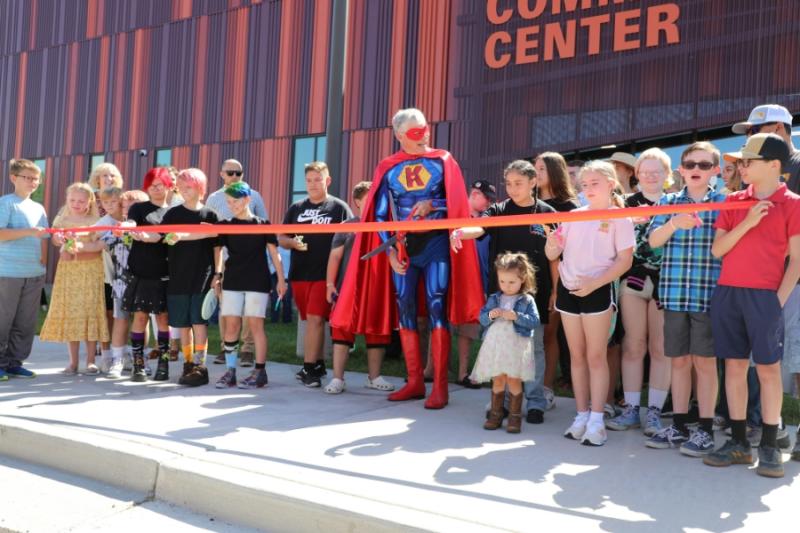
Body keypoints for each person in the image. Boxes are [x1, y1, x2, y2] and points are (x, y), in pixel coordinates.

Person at [330, 108, 483, 410]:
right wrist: (387, 251)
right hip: (401, 246)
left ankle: (439, 386)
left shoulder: (443, 160)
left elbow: (456, 204)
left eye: (425, 128)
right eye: (415, 132)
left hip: (436, 242)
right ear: (399, 135)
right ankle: (414, 381)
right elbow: (380, 214)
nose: (423, 135)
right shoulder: (389, 167)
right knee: (406, 308)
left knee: (437, 304)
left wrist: (434, 203)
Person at [703, 133, 800, 478]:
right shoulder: (735, 201)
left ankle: (771, 445)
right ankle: (740, 443)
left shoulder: (793, 203)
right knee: (733, 367)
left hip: (765, 297)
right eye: (741, 161)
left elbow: (798, 261)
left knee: (769, 370)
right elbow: (718, 250)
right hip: (728, 292)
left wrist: (777, 301)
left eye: (749, 161)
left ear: (774, 165)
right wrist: (748, 221)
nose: (741, 167)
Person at [452, 160, 557, 423]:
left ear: (533, 182)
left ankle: (535, 403)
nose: (512, 188)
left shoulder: (546, 212)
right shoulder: (498, 210)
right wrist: (460, 232)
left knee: (533, 349)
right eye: (508, 183)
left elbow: (555, 257)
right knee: (500, 347)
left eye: (518, 183)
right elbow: (479, 227)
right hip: (500, 295)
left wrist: (556, 290)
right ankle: (503, 402)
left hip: (535, 294)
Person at [546, 160, 635, 447]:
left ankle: (597, 419)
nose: (588, 189)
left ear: (611, 183)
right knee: (577, 356)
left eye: (594, 183)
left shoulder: (620, 218)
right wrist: (551, 243)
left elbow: (625, 261)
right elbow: (554, 253)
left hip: (597, 291)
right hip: (569, 290)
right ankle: (581, 414)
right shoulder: (572, 215)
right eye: (584, 185)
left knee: (596, 356)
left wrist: (595, 284)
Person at [645, 141, 726, 456]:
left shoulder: (723, 202)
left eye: (704, 165)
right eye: (690, 164)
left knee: (705, 364)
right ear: (680, 169)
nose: (696, 170)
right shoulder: (667, 202)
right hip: (676, 295)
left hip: (709, 296)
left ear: (715, 171)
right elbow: (652, 242)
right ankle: (678, 425)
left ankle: (705, 429)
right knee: (677, 361)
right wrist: (673, 223)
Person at [607, 149, 671, 436]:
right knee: (634, 345)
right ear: (637, 174)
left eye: (656, 171)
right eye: (645, 171)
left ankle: (655, 411)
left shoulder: (675, 203)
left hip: (666, 283)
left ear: (667, 175)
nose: (650, 176)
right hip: (632, 281)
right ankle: (631, 408)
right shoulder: (625, 205)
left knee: (660, 348)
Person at [279, 162, 352, 388]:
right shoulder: (296, 207)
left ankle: (309, 369)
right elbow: (281, 237)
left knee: (316, 319)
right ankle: (319, 363)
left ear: (327, 181)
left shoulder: (338, 207)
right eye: (309, 180)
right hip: (300, 273)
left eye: (317, 179)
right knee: (310, 321)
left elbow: (350, 239)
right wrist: (292, 242)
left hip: (325, 275)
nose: (312, 184)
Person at [213, 181, 286, 389]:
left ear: (247, 199)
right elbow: (218, 252)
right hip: (233, 280)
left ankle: (260, 371)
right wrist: (218, 275)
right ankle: (230, 371)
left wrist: (281, 279)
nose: (232, 205)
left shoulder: (263, 224)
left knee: (256, 325)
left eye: (235, 200)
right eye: (228, 202)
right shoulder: (225, 225)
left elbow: (275, 253)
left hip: (257, 280)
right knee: (232, 325)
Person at [323, 181, 394, 394]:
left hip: (376, 289)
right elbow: (335, 257)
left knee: (377, 332)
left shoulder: (386, 227)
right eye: (368, 198)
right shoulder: (347, 226)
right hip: (347, 289)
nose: (373, 202)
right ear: (357, 201)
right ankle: (337, 379)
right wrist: (329, 284)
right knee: (342, 330)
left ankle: (374, 377)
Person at [40, 183, 110, 374]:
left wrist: (81, 246)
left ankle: (90, 360)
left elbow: (99, 245)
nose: (76, 204)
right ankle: (72, 362)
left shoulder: (95, 219)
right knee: (73, 313)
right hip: (69, 271)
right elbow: (54, 239)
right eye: (72, 200)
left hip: (90, 270)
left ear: (89, 202)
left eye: (81, 201)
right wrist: (60, 239)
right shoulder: (62, 218)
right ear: (67, 200)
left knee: (89, 312)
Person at [161, 168, 221, 386]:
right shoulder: (172, 214)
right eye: (181, 186)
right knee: (183, 323)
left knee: (199, 320)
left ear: (200, 188)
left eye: (189, 186)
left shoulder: (210, 215)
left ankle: (200, 365)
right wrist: (174, 237)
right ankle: (187, 363)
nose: (184, 190)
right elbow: (166, 240)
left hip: (203, 276)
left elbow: (218, 249)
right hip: (178, 276)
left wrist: (218, 274)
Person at [206, 159, 268, 367]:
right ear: (221, 174)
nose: (234, 176)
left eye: (238, 173)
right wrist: (216, 270)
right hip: (225, 261)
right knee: (227, 309)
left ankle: (248, 350)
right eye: (230, 172)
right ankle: (226, 347)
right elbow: (209, 230)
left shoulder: (254, 195)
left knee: (250, 312)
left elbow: (265, 226)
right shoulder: (214, 198)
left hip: (251, 262)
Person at [534, 152, 581, 411]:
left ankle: (546, 388)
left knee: (549, 335)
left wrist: (556, 287)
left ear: (554, 170)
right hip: (527, 276)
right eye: (535, 168)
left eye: (541, 168)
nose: (536, 172)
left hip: (557, 277)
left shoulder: (569, 207)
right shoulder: (527, 202)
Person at [474, 253, 540, 433]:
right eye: (502, 281)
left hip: (515, 346)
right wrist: (490, 315)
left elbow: (534, 321)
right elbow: (481, 318)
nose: (506, 286)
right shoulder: (495, 298)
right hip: (496, 345)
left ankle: (514, 417)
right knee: (498, 378)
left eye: (511, 282)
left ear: (522, 279)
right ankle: (495, 414)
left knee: (514, 380)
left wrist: (517, 316)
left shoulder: (527, 300)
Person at [121, 168, 172, 382]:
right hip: (140, 271)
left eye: (160, 184)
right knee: (140, 317)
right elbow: (131, 223)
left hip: (165, 272)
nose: (156, 188)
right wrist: (128, 227)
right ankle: (138, 364)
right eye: (152, 185)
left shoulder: (174, 211)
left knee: (163, 319)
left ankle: (164, 362)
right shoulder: (139, 209)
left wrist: (154, 237)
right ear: (146, 187)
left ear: (169, 185)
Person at [0, 159, 48, 381]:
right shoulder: (6, 203)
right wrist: (29, 231)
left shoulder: (38, 207)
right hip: (7, 273)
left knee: (25, 323)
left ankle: (14, 363)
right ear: (13, 178)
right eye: (26, 177)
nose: (32, 182)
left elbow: (46, 236)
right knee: (3, 320)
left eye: (35, 179)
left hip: (33, 273)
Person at [452, 180, 494, 389]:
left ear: (488, 203)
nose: (475, 195)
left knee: (469, 329)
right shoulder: (456, 216)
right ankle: (431, 370)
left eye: (481, 194)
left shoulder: (489, 224)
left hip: (478, 283)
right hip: (451, 280)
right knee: (439, 324)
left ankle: (464, 373)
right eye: (474, 192)